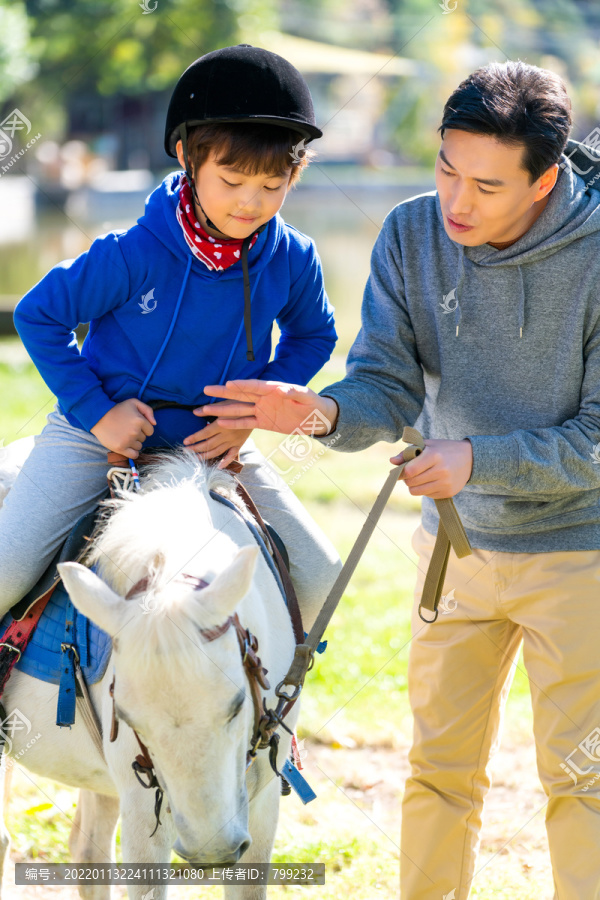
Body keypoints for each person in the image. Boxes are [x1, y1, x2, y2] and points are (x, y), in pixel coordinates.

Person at [198, 60, 600, 899]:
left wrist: (475, 459)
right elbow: (385, 384)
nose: (457, 201)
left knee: (583, 783)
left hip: (580, 556)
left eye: (486, 185)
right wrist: (311, 413)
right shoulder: (413, 236)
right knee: (438, 775)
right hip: (455, 552)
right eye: (446, 168)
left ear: (544, 181)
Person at [0, 44, 342, 632]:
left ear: (295, 173)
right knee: (5, 573)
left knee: (319, 578)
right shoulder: (130, 252)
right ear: (187, 156)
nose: (250, 202)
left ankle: (263, 716)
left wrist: (252, 412)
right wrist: (97, 412)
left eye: (272, 184)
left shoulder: (293, 255)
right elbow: (38, 315)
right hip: (95, 435)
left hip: (214, 442)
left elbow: (315, 335)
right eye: (232, 180)